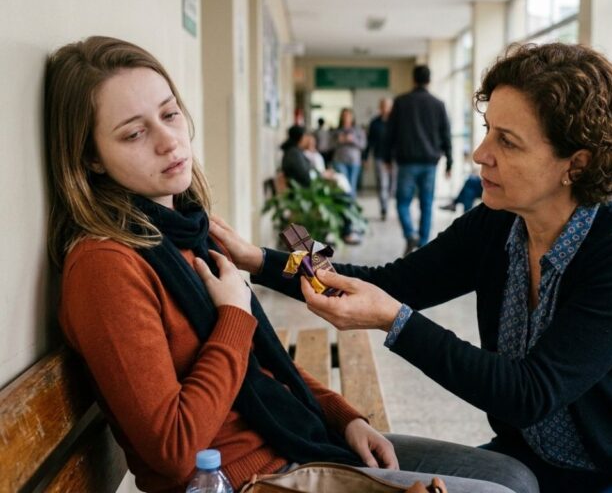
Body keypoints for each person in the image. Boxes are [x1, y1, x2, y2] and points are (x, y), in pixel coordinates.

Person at [216, 43, 612, 493]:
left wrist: (396, 321)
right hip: (542, 465)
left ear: (575, 163)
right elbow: (391, 282)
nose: (480, 155)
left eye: (507, 142)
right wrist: (258, 259)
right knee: (373, 467)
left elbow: (530, 393)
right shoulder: (497, 223)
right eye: (488, 131)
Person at [45, 36, 537, 493]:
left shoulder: (185, 229)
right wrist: (240, 308)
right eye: (133, 133)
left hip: (293, 440)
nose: (169, 142)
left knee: (512, 475)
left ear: (571, 163)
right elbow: (176, 453)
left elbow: (268, 364)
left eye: (170, 115)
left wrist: (346, 416)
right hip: (250, 476)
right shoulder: (109, 264)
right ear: (90, 158)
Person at [385, 65, 452, 255]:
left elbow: (391, 132)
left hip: (406, 162)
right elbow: (445, 133)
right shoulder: (438, 104)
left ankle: (410, 233)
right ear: (429, 80)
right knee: (426, 204)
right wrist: (450, 162)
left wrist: (387, 157)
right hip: (430, 163)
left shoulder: (401, 102)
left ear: (413, 79)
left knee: (402, 202)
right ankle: (422, 244)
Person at [366, 97, 396, 220]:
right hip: (380, 157)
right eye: (383, 106)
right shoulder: (375, 123)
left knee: (392, 186)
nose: (385, 108)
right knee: (383, 184)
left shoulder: (396, 122)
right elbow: (370, 141)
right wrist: (365, 157)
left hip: (395, 158)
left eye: (388, 106)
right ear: (380, 107)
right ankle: (384, 208)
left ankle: (387, 203)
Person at [331, 108, 367, 199]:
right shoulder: (336, 130)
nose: (346, 117)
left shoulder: (358, 130)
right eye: (344, 115)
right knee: (343, 184)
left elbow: (363, 145)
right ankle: (343, 206)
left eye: (348, 115)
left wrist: (352, 139)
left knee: (352, 184)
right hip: (339, 160)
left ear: (352, 117)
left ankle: (351, 207)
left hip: (354, 161)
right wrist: (339, 140)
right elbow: (328, 145)